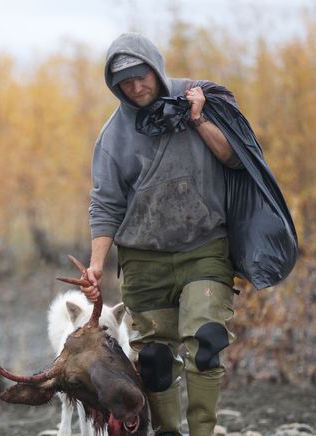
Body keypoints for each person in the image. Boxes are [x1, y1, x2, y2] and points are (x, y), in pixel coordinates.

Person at [79, 32, 245, 436]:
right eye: (125, 82)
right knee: (153, 359)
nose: (136, 87)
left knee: (206, 339)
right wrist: (97, 265)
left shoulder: (198, 100)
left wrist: (199, 119)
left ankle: (203, 431)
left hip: (204, 247)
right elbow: (105, 204)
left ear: (155, 67)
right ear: (114, 86)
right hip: (144, 259)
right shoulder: (113, 137)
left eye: (142, 76)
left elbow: (236, 156)